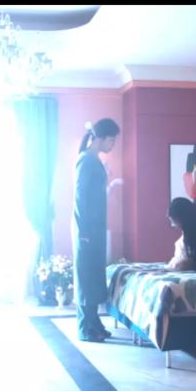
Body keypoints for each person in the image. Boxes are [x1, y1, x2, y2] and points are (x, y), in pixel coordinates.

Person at [73, 118, 121, 342]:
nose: (113, 145)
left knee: (93, 274)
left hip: (96, 227)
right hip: (87, 229)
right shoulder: (86, 160)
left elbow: (95, 195)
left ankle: (94, 322)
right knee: (86, 276)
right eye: (112, 140)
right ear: (101, 138)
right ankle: (86, 327)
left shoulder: (95, 161)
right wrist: (84, 230)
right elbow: (80, 197)